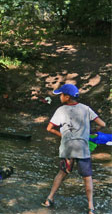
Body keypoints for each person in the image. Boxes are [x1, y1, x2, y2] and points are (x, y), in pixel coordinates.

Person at [41, 84, 105, 214]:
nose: (60, 98)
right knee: (87, 178)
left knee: (62, 173)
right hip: (82, 148)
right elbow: (102, 124)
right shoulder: (86, 109)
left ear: (67, 97)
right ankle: (91, 208)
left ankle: (49, 199)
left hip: (67, 149)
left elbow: (49, 128)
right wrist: (92, 132)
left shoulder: (61, 110)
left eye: (61, 95)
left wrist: (63, 135)